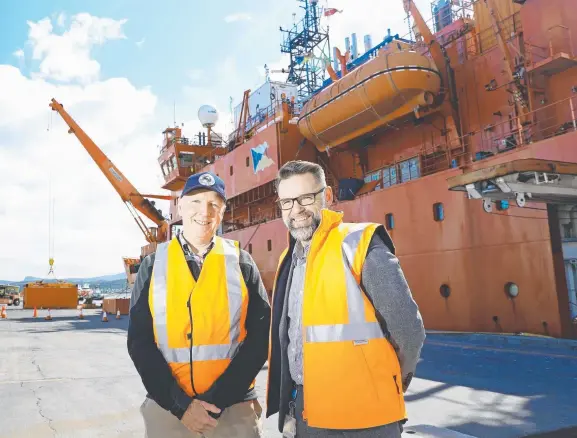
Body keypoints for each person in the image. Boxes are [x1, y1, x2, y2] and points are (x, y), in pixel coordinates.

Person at [266, 160, 426, 437]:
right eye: (287, 202)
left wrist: (390, 382)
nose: (297, 210)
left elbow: (409, 331)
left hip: (365, 420)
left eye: (306, 198)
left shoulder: (359, 244)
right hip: (308, 413)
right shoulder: (288, 260)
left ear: (327, 197)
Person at [127, 171, 271, 438]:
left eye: (214, 204)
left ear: (223, 211)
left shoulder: (241, 262)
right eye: (195, 202)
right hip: (168, 411)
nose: (204, 211)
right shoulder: (153, 264)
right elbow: (139, 342)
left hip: (234, 408)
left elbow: (262, 337)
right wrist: (181, 406)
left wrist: (216, 401)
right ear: (180, 206)